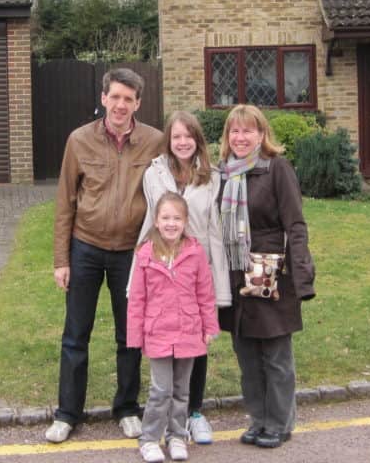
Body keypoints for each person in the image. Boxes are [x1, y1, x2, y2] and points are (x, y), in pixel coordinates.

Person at [46, 67, 163, 444]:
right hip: (85, 248)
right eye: (114, 96)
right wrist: (61, 260)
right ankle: (68, 413)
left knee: (129, 335)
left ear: (138, 103)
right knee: (76, 334)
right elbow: (65, 203)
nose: (120, 105)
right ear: (103, 98)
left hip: (131, 252)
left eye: (128, 99)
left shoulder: (154, 142)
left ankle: (127, 408)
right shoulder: (79, 141)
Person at [216, 104, 315, 449]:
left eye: (248, 131)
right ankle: (258, 420)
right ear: (228, 137)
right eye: (235, 131)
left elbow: (295, 224)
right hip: (233, 273)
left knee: (275, 355)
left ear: (262, 135)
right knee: (247, 355)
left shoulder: (277, 169)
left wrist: (301, 275)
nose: (241, 138)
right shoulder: (223, 174)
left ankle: (280, 422)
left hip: (270, 274)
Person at [136, 110, 231, 444]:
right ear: (169, 140)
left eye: (188, 136)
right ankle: (161, 420)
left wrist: (219, 281)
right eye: (176, 136)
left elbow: (215, 229)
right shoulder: (154, 174)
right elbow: (151, 218)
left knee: (196, 342)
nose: (182, 142)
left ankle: (193, 413)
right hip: (162, 265)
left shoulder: (212, 176)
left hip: (197, 267)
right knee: (163, 340)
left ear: (197, 140)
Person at [127, 192, 220, 463]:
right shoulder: (145, 254)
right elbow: (137, 300)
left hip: (189, 331)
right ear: (156, 221)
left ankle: (177, 435)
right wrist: (136, 335)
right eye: (165, 218)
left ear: (185, 221)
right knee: (161, 390)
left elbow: (205, 292)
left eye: (177, 218)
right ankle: (149, 438)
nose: (171, 223)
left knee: (182, 390)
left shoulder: (195, 251)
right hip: (157, 333)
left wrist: (209, 326)